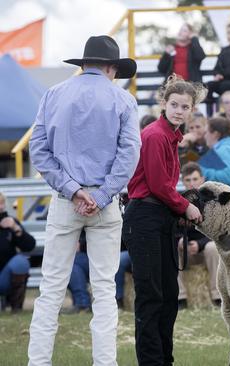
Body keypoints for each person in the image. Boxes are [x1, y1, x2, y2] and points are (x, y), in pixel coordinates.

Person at [28, 35, 141, 365]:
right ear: (110, 67)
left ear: (84, 63)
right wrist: (102, 194)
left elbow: (39, 151)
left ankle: (38, 362)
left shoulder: (54, 94)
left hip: (66, 199)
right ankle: (105, 363)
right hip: (104, 202)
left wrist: (73, 190)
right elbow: (129, 153)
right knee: (105, 288)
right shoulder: (123, 101)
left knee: (50, 288)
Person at [122, 75, 205, 365]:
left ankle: (164, 359)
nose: (179, 110)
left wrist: (176, 208)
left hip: (159, 215)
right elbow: (158, 185)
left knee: (168, 294)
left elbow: (163, 186)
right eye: (174, 104)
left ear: (191, 109)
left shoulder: (171, 137)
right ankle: (152, 361)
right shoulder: (156, 135)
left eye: (185, 106)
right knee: (151, 295)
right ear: (163, 103)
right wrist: (186, 207)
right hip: (145, 214)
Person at [177, 162, 222, 308]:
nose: (192, 183)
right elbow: (171, 230)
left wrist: (200, 244)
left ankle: (217, 297)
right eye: (188, 180)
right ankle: (180, 298)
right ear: (183, 181)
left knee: (212, 247)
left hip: (206, 251)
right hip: (185, 252)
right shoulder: (176, 202)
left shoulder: (212, 202)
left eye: (195, 179)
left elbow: (217, 231)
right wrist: (181, 241)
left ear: (202, 179)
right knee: (172, 247)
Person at [0, 192, 35, 312]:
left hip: (4, 276)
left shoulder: (9, 222)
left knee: (21, 261)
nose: (1, 207)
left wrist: (16, 228)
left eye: (2, 203)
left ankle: (15, 306)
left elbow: (30, 245)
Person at [199, 116, 230, 192]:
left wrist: (202, 171)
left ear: (215, 134)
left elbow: (227, 177)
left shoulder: (226, 150)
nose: (204, 136)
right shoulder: (225, 149)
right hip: (228, 195)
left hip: (228, 197)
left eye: (206, 132)